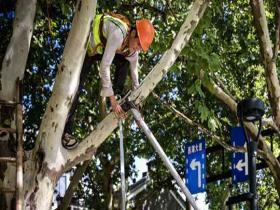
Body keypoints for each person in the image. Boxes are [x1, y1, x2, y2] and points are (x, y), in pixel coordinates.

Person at [62, 13, 155, 149]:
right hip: (87, 47)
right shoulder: (118, 33)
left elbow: (135, 78)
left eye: (141, 47)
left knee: (124, 63)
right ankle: (65, 133)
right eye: (138, 43)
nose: (138, 48)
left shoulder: (133, 52)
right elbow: (104, 67)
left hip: (100, 50)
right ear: (133, 32)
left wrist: (137, 103)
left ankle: (118, 93)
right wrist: (112, 100)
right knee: (75, 89)